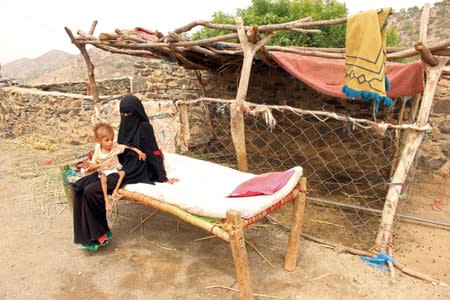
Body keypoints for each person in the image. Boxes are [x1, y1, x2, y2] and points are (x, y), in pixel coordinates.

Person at [72, 94, 172, 251]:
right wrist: (100, 163)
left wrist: (163, 177)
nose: (125, 117)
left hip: (136, 169)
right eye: (123, 114)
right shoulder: (125, 125)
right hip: (118, 164)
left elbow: (154, 152)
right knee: (78, 187)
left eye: (128, 114)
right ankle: (85, 236)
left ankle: (100, 234)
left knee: (91, 191)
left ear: (136, 112)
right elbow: (118, 148)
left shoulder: (145, 127)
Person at [85, 122, 146, 211]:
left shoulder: (115, 146)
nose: (110, 142)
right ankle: (106, 200)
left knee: (122, 173)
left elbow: (128, 147)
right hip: (104, 170)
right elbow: (92, 166)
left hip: (114, 169)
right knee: (103, 178)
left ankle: (115, 190)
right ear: (99, 141)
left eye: (111, 139)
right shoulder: (98, 150)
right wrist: (103, 164)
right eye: (107, 140)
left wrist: (139, 152)